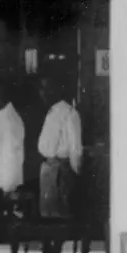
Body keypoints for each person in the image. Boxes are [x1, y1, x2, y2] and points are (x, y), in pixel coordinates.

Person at [36, 75, 83, 220]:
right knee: (47, 214)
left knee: (60, 215)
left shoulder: (70, 113)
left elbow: (76, 148)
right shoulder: (51, 112)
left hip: (61, 171)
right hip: (48, 169)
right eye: (42, 88)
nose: (43, 93)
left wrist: (75, 173)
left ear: (57, 90)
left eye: (47, 88)